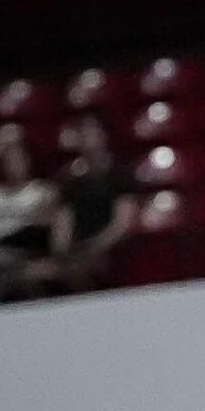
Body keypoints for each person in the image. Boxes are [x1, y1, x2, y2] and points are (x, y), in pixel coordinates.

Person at [0, 133, 58, 302]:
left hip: (20, 260)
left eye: (18, 159)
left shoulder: (42, 191)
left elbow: (40, 230)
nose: (13, 165)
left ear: (29, 161)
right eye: (8, 160)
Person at [52, 119, 135, 292]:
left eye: (90, 133)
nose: (86, 139)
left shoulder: (119, 175)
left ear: (103, 136)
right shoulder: (70, 180)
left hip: (110, 251)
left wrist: (95, 247)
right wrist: (63, 251)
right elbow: (63, 221)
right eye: (82, 134)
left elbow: (123, 224)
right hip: (79, 252)